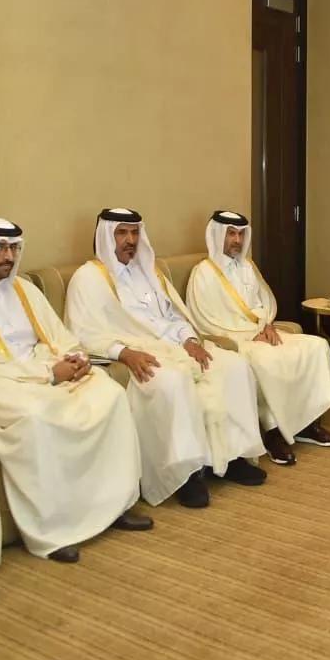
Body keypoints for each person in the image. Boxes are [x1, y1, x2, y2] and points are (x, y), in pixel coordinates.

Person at [0, 218, 151, 564]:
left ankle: (114, 506)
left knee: (110, 395)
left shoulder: (24, 289)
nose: (9, 256)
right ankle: (53, 530)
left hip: (46, 370)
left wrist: (75, 359)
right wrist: (48, 374)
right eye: (0, 248)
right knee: (36, 415)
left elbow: (59, 335)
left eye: (13, 248)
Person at [64, 208, 267, 509]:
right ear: (105, 236)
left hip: (176, 346)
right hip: (139, 352)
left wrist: (190, 341)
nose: (130, 240)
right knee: (172, 382)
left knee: (234, 366)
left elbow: (175, 315)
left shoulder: (150, 271)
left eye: (135, 232)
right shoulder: (88, 278)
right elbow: (83, 332)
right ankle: (186, 474)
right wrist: (125, 353)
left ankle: (234, 457)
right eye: (122, 233)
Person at [186, 210, 330, 465]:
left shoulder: (248, 267)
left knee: (316, 346)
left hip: (261, 332)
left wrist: (267, 324)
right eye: (231, 234)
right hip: (233, 340)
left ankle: (308, 424)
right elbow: (204, 319)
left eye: (240, 234)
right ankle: (273, 433)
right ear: (216, 235)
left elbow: (264, 302)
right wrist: (251, 334)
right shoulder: (203, 273)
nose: (237, 240)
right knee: (267, 360)